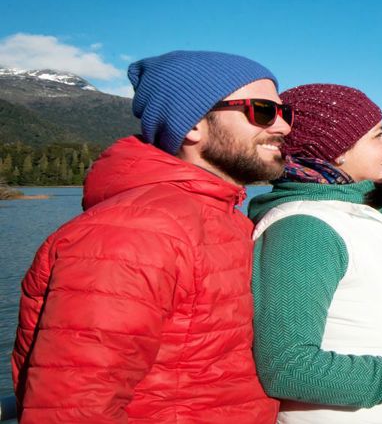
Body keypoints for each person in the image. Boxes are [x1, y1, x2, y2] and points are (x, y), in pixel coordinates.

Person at [10, 50, 291, 423]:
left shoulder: (222, 219)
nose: (284, 127)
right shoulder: (131, 233)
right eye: (262, 111)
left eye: (284, 113)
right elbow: (75, 409)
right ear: (192, 123)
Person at [249, 84, 382, 424]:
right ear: (337, 152)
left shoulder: (352, 211)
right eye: (378, 136)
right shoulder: (304, 228)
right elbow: (287, 367)